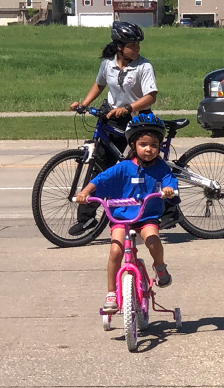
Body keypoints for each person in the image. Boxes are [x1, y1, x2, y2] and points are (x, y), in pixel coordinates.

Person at [69, 21, 179, 235]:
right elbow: (99, 85)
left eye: (138, 45)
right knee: (100, 166)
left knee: (145, 162)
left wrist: (128, 108)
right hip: (112, 116)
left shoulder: (143, 66)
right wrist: (84, 103)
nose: (137, 49)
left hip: (139, 118)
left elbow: (151, 97)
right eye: (132, 45)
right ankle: (87, 219)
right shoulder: (107, 64)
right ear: (119, 46)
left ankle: (169, 210)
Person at [75, 114, 179, 314]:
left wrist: (168, 189)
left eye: (154, 145)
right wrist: (85, 192)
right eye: (143, 144)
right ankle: (111, 294)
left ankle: (160, 267)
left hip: (146, 217)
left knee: (153, 241)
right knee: (115, 251)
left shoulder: (161, 168)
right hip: (121, 218)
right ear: (133, 144)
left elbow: (169, 180)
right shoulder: (123, 167)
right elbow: (101, 179)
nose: (149, 149)